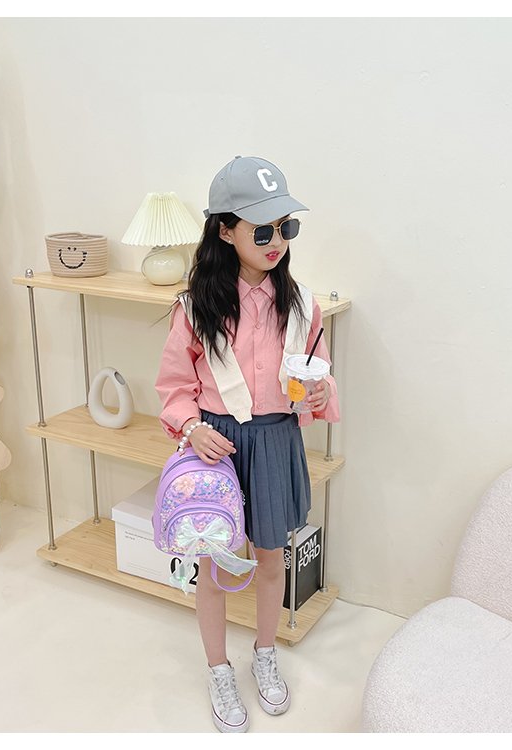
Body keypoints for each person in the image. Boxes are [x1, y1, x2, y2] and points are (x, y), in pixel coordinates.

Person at [155, 155, 340, 733]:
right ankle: (218, 668)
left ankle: (265, 652)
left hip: (276, 442)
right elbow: (174, 389)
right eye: (263, 231)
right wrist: (192, 428)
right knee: (214, 567)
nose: (277, 242)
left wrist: (319, 393)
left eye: (286, 227)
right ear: (225, 231)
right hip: (219, 448)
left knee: (270, 558)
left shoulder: (304, 305)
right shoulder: (196, 308)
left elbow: (319, 377)